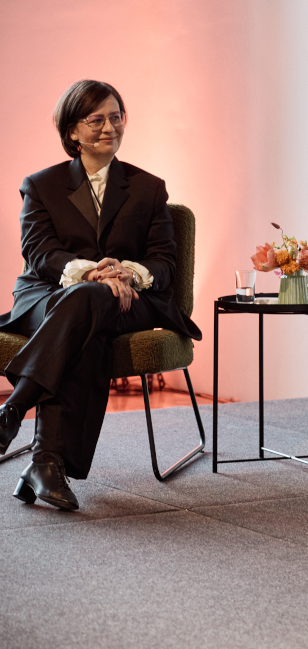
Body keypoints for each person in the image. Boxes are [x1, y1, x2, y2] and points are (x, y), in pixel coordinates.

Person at [0, 80, 201, 511]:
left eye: (116, 117)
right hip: (48, 294)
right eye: (96, 120)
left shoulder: (149, 187)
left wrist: (128, 272)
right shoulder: (41, 185)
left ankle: (14, 409)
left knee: (89, 305)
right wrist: (91, 273)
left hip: (128, 300)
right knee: (85, 320)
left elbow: (164, 261)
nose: (110, 128)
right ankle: (46, 464)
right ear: (72, 130)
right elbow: (39, 253)